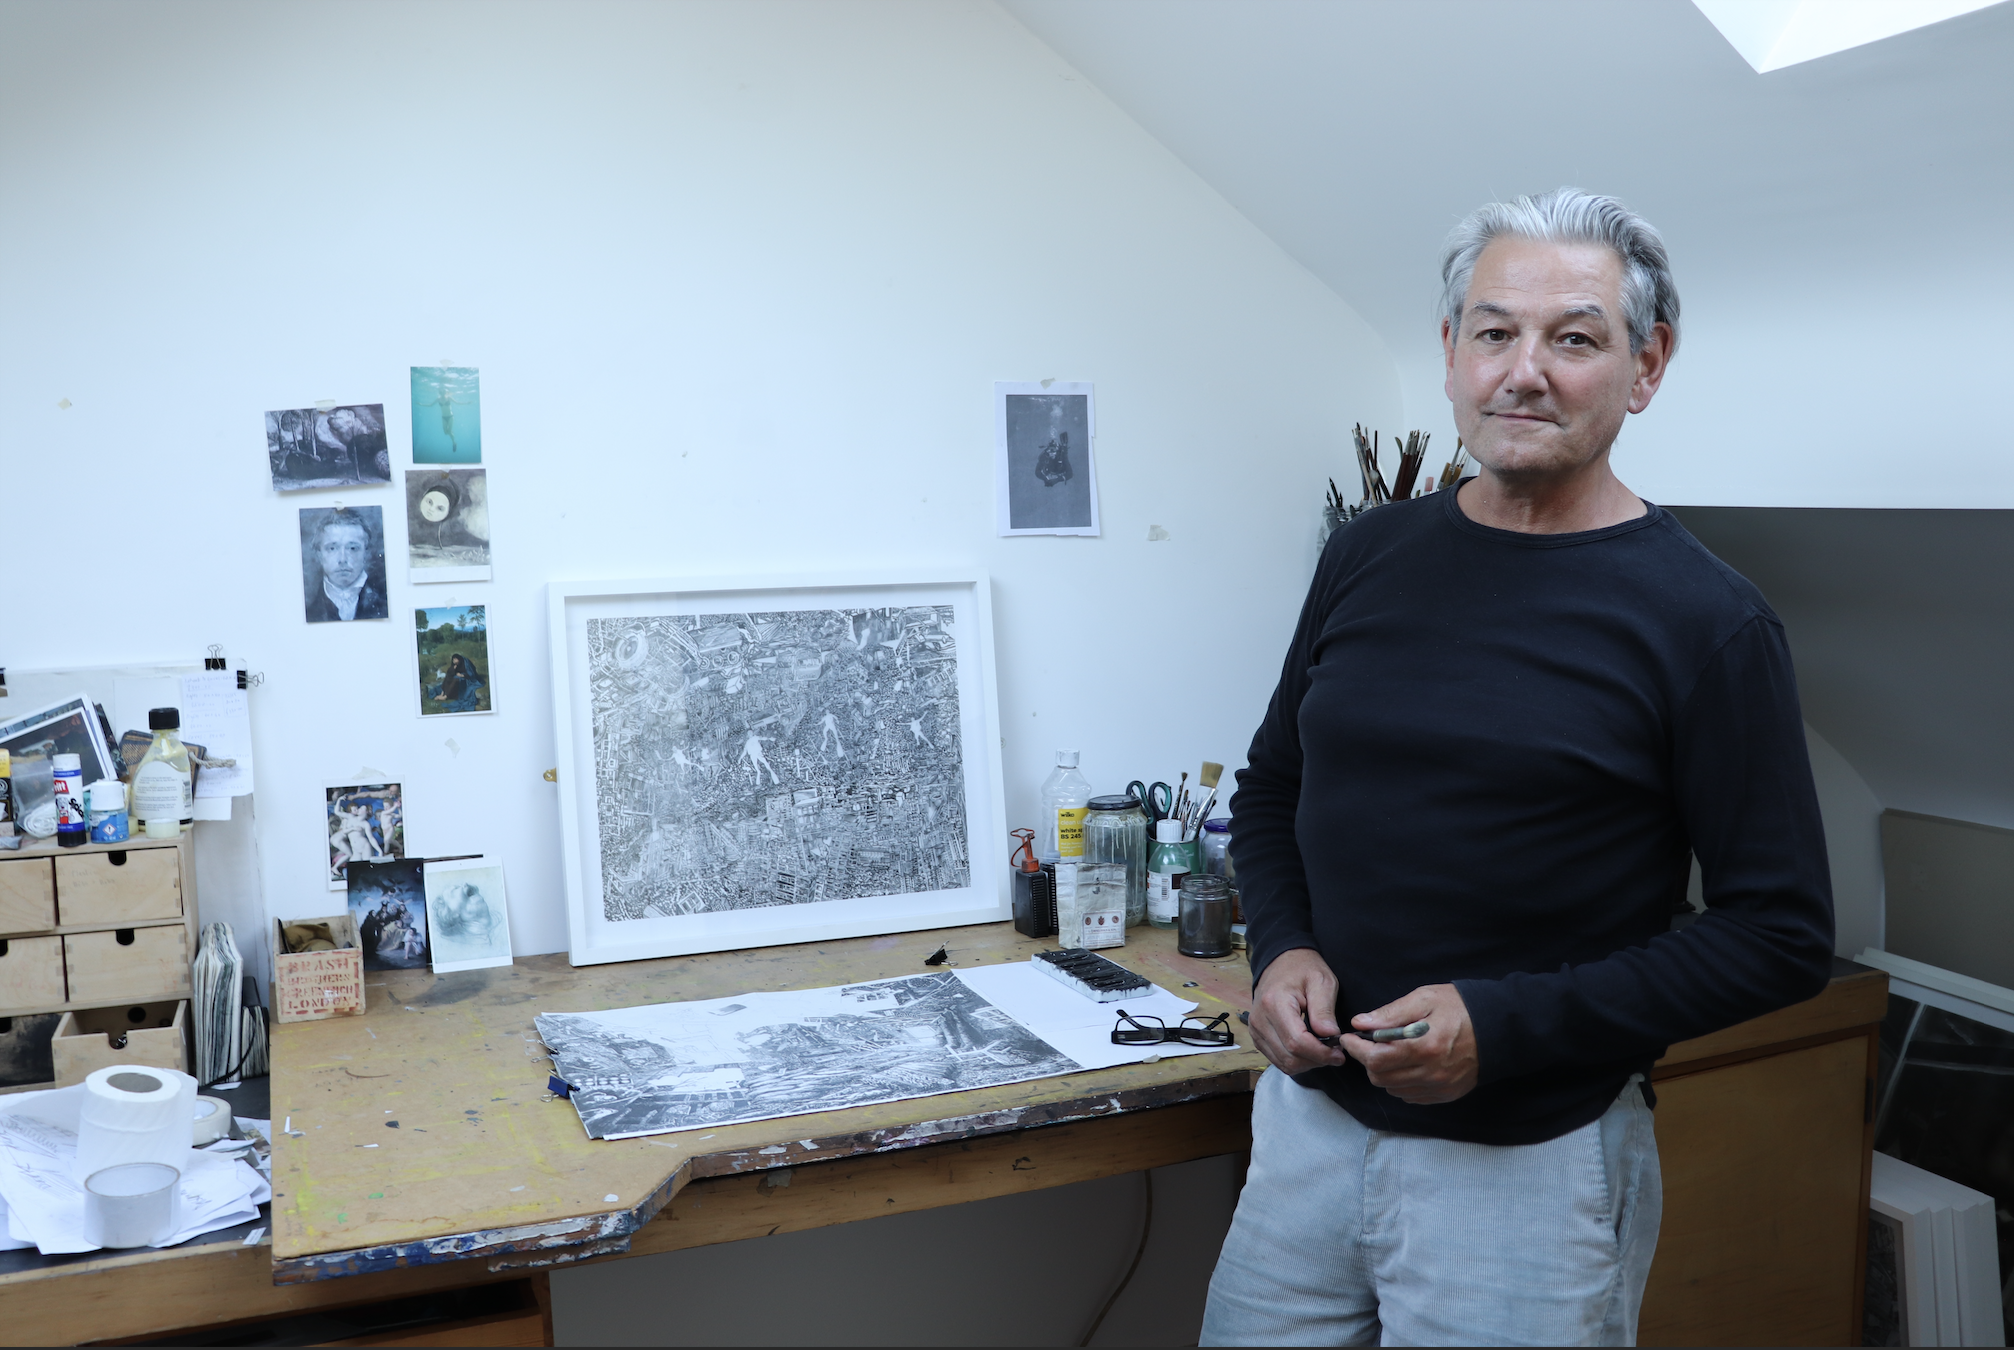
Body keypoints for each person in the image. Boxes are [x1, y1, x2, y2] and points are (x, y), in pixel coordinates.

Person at [1201, 188, 1835, 1348]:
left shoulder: (1708, 622)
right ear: (1450, 354)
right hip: (1305, 1136)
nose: (1523, 372)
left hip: (1531, 1171)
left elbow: (1779, 933)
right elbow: (1274, 786)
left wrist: (1504, 1026)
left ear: (1646, 366)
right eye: (1494, 332)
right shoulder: (1366, 554)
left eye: (1573, 339)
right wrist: (1281, 947)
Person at [303, 510, 387, 622]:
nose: (342, 559)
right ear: (319, 554)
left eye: (352, 548)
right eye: (332, 548)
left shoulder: (386, 605)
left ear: (366, 553)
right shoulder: (306, 611)